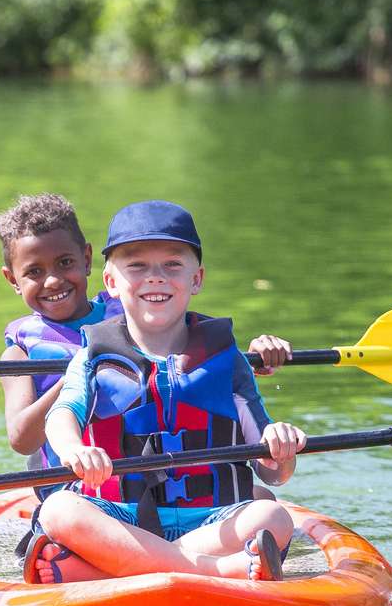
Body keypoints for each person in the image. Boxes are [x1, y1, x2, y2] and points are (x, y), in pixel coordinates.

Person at [26, 199, 304, 585]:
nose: (155, 277)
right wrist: (74, 449)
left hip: (211, 518)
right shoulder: (92, 355)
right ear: (110, 282)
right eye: (136, 266)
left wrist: (281, 448)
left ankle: (100, 569)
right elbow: (62, 415)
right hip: (117, 514)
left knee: (271, 515)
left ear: (197, 279)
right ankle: (215, 571)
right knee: (58, 509)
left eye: (172, 265)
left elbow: (273, 475)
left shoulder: (227, 360)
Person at [0, 194, 119, 470]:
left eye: (65, 263)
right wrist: (79, 373)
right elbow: (21, 440)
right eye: (34, 272)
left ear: (86, 259)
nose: (52, 281)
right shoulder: (19, 354)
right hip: (72, 490)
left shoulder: (130, 319)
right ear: (13, 280)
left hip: (141, 481)